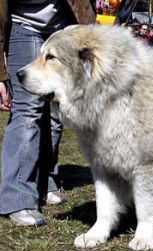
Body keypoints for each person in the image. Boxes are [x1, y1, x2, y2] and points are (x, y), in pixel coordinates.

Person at [0, 0, 95, 226]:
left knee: (55, 111)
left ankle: (45, 181)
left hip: (63, 27)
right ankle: (17, 196)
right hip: (24, 26)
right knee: (29, 108)